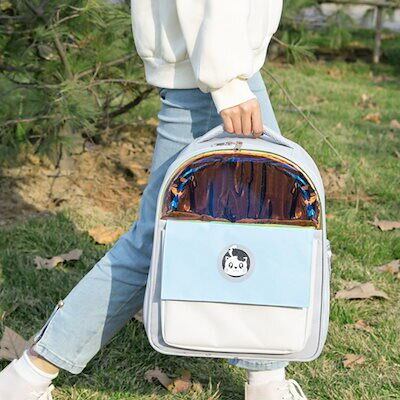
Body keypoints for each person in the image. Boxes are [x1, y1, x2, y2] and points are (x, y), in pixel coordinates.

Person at [0, 1, 309, 399]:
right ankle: (29, 375)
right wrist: (227, 82)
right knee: (186, 236)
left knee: (253, 227)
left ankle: (265, 381)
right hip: (212, 74)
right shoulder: (221, 77)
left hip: (214, 65)